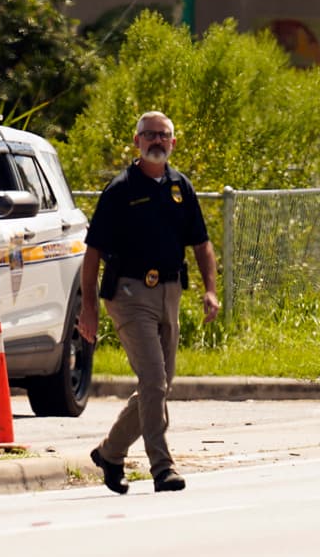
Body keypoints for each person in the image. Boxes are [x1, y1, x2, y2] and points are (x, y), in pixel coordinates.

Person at [78, 111, 220, 494]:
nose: (157, 141)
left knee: (158, 386)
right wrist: (88, 308)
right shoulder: (120, 189)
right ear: (137, 141)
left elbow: (202, 244)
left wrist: (211, 289)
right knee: (155, 380)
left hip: (170, 292)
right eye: (149, 135)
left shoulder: (180, 187)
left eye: (164, 136)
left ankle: (110, 453)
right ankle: (162, 466)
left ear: (173, 143)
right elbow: (92, 253)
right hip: (128, 294)